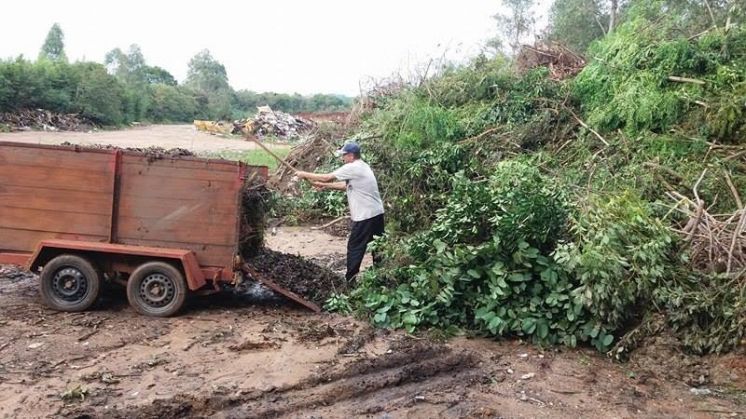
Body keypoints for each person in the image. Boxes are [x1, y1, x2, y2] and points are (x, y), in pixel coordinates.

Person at [296, 142, 384, 282]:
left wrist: (303, 174)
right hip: (377, 213)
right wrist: (324, 186)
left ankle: (350, 281)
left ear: (350, 155)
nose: (342, 158)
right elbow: (346, 186)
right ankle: (381, 276)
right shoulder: (362, 166)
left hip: (365, 216)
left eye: (344, 156)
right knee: (378, 245)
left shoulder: (352, 167)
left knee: (355, 246)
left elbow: (327, 176)